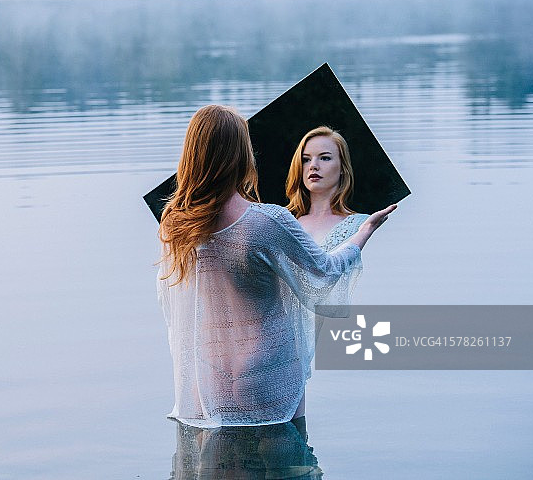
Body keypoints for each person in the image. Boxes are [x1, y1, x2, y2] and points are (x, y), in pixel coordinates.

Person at [155, 105, 395, 427]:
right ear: (241, 155)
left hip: (206, 382)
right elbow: (323, 275)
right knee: (293, 467)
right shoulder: (268, 221)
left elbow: (171, 301)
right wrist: (364, 233)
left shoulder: (174, 225)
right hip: (266, 377)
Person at [284, 126, 370, 403]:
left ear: (343, 168)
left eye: (324, 158)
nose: (314, 166)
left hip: (309, 337)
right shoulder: (285, 221)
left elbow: (331, 286)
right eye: (306, 159)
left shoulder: (356, 224)